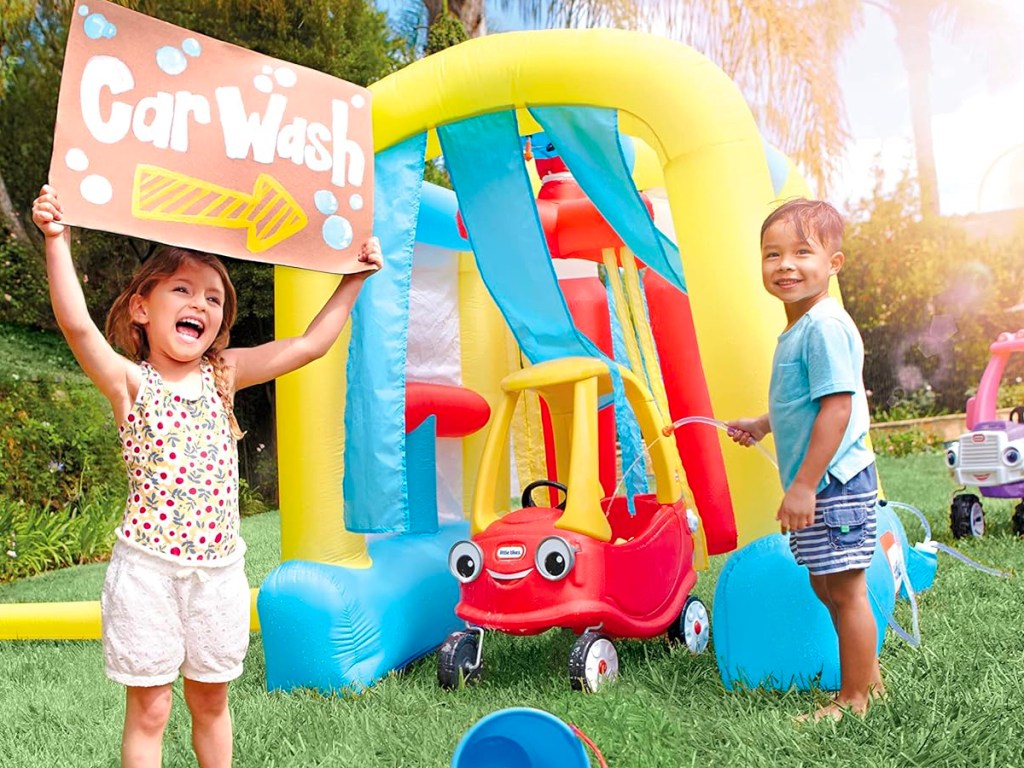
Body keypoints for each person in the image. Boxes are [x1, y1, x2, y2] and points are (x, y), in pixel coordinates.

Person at [31, 183, 382, 767]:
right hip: (148, 574)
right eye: (182, 289)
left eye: (214, 297)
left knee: (212, 702)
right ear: (142, 307)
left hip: (218, 575)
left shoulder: (224, 374)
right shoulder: (131, 384)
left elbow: (310, 345)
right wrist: (56, 239)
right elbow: (77, 326)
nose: (200, 303)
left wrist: (355, 278)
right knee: (151, 712)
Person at [726, 198, 881, 722]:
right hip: (822, 482)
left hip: (834, 481)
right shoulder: (802, 328)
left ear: (833, 264)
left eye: (802, 252)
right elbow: (805, 400)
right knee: (826, 582)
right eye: (772, 254)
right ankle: (868, 683)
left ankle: (855, 698)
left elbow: (838, 408)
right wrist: (762, 423)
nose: (785, 264)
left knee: (845, 587)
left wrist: (804, 486)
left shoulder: (823, 327)